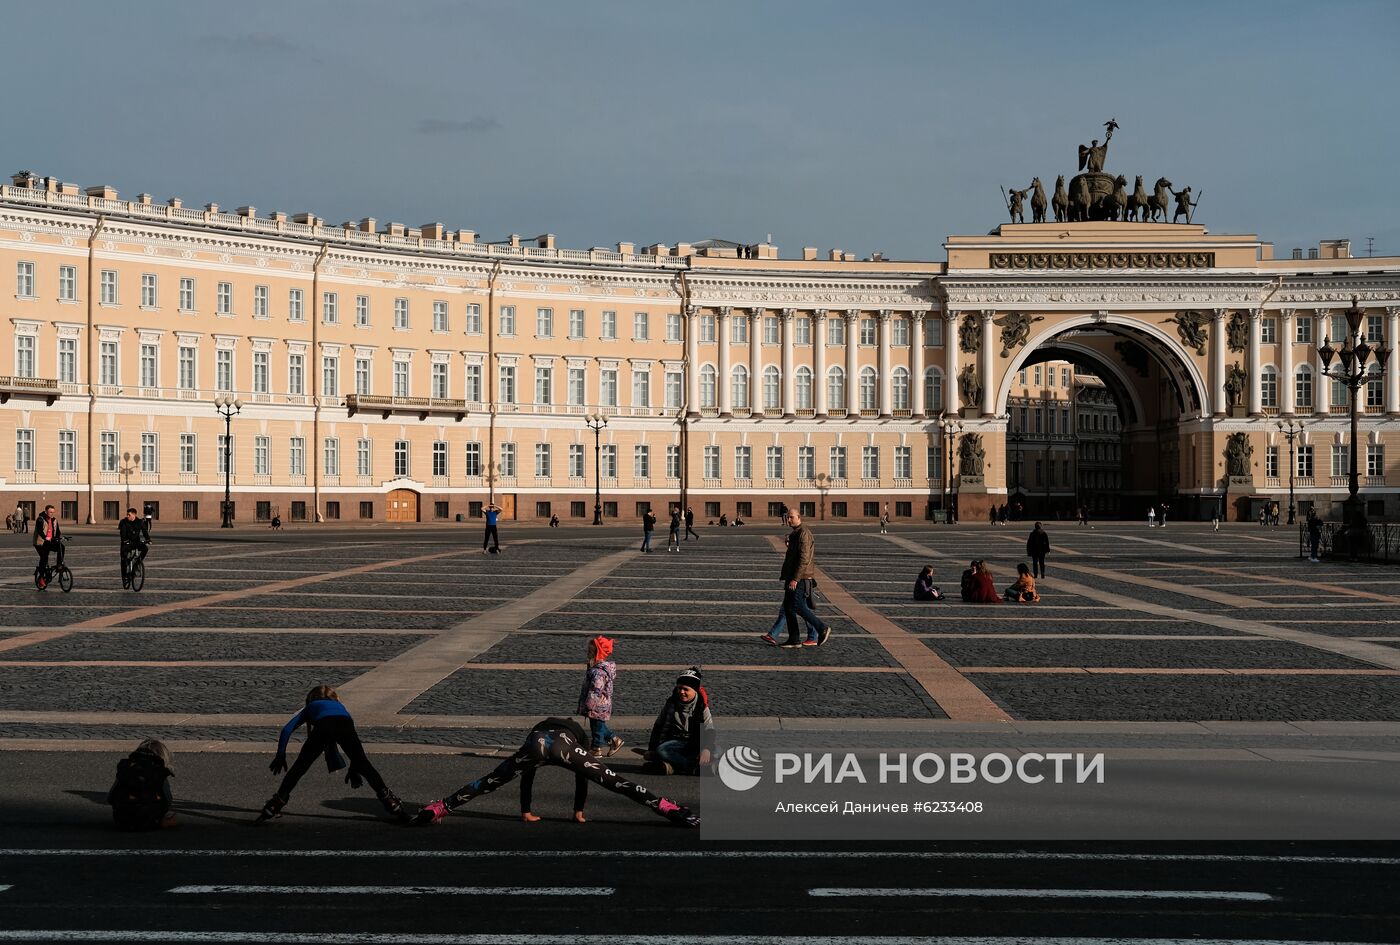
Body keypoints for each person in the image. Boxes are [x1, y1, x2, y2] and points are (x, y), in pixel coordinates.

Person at [413, 716, 698, 828]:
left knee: (488, 781)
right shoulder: (578, 736)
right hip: (564, 745)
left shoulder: (540, 728)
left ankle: (440, 807)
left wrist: (526, 811)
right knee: (615, 782)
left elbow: (527, 776)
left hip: (536, 743)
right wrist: (578, 812)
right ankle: (666, 807)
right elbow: (583, 777)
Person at [258, 685, 405, 824]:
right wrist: (354, 768)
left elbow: (286, 730)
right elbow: (355, 752)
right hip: (345, 723)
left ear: (311, 698)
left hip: (323, 726)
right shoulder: (341, 708)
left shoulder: (311, 706)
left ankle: (275, 804)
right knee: (365, 766)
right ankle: (391, 803)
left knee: (300, 767)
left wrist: (280, 756)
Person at [767, 507, 830, 647]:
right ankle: (794, 639)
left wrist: (795, 578)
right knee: (788, 607)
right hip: (792, 576)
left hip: (801, 577)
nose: (789, 520)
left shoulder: (804, 533)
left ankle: (822, 628)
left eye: (792, 517)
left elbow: (803, 558)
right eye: (788, 517)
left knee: (797, 605)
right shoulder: (795, 533)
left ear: (799, 517)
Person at [639, 667, 715, 776]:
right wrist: (652, 749)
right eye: (679, 688)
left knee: (717, 751)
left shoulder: (701, 706)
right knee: (661, 750)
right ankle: (693, 768)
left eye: (685, 689)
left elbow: (709, 730)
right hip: (675, 741)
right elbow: (658, 726)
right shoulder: (671, 703)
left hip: (695, 743)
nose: (681, 692)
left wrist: (706, 749)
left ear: (694, 690)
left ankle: (672, 767)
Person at [108, 738, 176, 830]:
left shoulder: (127, 769)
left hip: (122, 820)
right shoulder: (159, 772)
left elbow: (110, 797)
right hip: (150, 821)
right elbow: (168, 800)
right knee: (169, 815)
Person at [578, 635, 622, 757]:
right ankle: (614, 740)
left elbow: (596, 690)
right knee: (598, 725)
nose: (588, 654)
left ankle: (596, 748)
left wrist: (589, 704)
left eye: (590, 652)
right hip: (600, 704)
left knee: (597, 727)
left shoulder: (599, 672)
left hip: (598, 704)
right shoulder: (596, 669)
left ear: (596, 654)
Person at [118, 507, 150, 589]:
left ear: (134, 515)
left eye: (129, 515)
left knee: (145, 548)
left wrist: (148, 539)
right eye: (127, 514)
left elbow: (144, 531)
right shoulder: (123, 522)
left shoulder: (139, 522)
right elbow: (122, 533)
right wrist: (124, 540)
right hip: (126, 543)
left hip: (136, 542)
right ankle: (125, 577)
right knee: (124, 560)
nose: (127, 516)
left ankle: (137, 562)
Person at [33, 504, 61, 590]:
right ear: (46, 512)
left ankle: (59, 564)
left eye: (53, 512)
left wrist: (59, 538)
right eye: (50, 512)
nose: (52, 514)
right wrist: (45, 537)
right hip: (40, 543)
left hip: (49, 541)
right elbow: (40, 531)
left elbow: (58, 531)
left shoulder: (54, 520)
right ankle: (41, 578)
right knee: (44, 558)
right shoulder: (40, 519)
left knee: (61, 547)